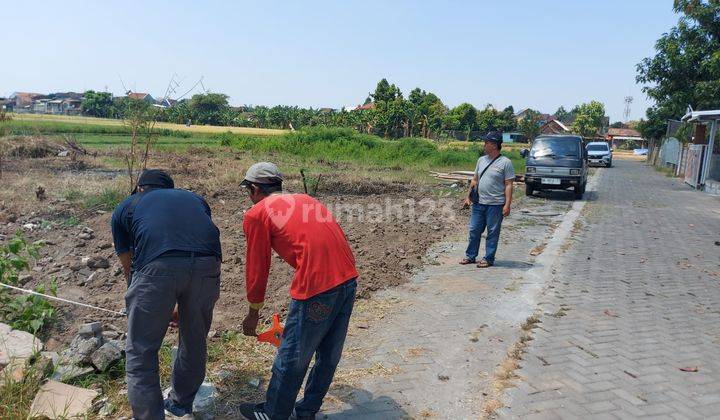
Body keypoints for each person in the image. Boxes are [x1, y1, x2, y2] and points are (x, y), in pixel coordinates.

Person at [238, 162, 359, 420]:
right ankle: (306, 412)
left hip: (317, 284)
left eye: (248, 190)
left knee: (292, 355)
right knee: (328, 354)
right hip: (348, 278)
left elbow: (258, 266)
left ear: (256, 189)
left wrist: (253, 311)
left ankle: (273, 413)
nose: (249, 197)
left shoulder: (257, 213)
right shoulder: (306, 199)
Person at [110, 169, 222, 420]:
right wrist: (182, 302)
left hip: (157, 269)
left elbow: (130, 266)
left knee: (141, 350)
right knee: (194, 340)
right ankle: (181, 405)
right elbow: (200, 239)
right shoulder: (194, 199)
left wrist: (147, 303)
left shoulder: (127, 206)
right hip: (208, 265)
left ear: (139, 188)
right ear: (170, 188)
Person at [460, 131, 515, 268]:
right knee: (474, 230)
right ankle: (470, 256)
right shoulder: (481, 160)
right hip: (479, 203)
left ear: (495, 145)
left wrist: (507, 205)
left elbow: (508, 185)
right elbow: (474, 180)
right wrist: (468, 197)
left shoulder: (505, 163)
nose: (484, 145)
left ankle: (488, 258)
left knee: (492, 232)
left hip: (495, 205)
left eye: (487, 143)